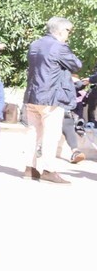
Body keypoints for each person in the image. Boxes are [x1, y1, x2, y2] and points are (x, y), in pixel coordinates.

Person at [24, 17, 82, 184]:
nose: (68, 35)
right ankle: (49, 170)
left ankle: (30, 168)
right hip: (50, 97)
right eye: (67, 31)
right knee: (51, 135)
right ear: (60, 31)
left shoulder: (35, 44)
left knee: (33, 133)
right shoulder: (59, 47)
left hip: (32, 95)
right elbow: (76, 65)